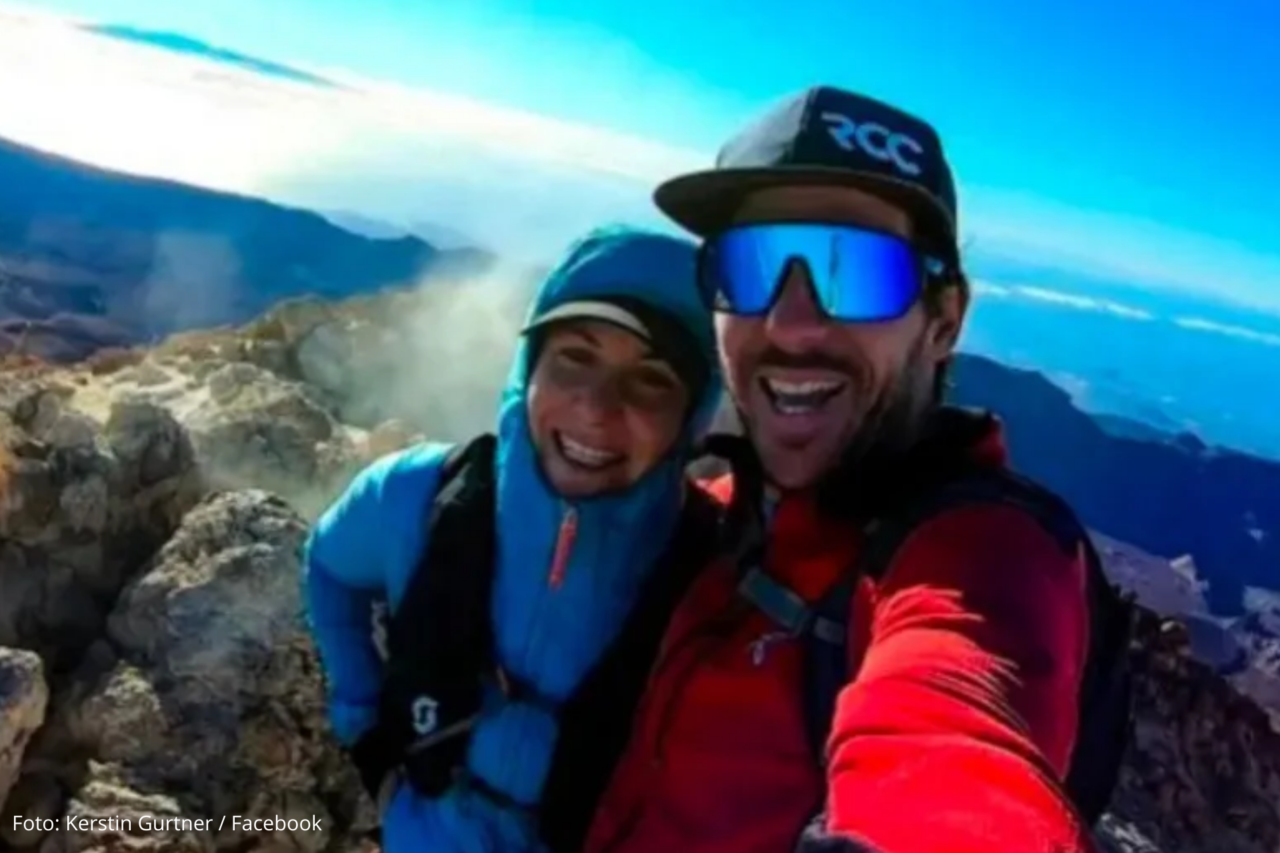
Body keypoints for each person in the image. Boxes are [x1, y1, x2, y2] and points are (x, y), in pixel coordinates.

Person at [584, 87, 1131, 853]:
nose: (790, 323)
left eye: (858, 270)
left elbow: (952, 740)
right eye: (752, 265)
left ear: (943, 321)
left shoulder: (984, 556)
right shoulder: (710, 509)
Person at [302, 225, 724, 852]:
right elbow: (330, 569)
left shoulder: (714, 575)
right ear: (529, 368)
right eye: (574, 358)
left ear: (691, 418)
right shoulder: (418, 496)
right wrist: (363, 727)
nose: (595, 408)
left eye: (652, 380)